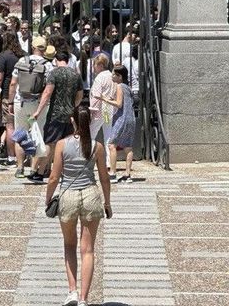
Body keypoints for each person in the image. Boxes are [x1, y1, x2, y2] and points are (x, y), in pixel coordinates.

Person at [45, 106, 112, 306]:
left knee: (69, 245)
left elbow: (54, 177)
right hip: (91, 194)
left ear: (72, 122)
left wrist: (48, 199)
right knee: (88, 250)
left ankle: (72, 291)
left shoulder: (61, 145)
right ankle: (84, 298)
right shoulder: (97, 146)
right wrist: (107, 202)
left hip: (68, 196)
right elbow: (104, 177)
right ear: (89, 123)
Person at [30, 50, 84, 182]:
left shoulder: (54, 73)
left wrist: (38, 111)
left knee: (50, 143)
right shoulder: (76, 75)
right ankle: (68, 172)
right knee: (67, 144)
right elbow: (80, 96)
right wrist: (73, 107)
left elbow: (48, 92)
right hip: (70, 114)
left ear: (56, 60)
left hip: (55, 114)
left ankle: (41, 172)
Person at [8, 36, 53, 178]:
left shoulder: (21, 61)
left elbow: (13, 84)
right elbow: (47, 90)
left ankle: (20, 167)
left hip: (20, 101)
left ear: (32, 47)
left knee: (20, 134)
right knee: (38, 135)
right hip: (37, 104)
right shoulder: (48, 65)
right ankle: (33, 169)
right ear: (44, 49)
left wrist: (10, 102)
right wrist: (40, 108)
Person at [96, 65, 136, 183]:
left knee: (111, 144)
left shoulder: (119, 86)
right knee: (128, 146)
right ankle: (127, 174)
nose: (112, 76)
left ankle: (112, 173)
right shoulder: (127, 87)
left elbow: (119, 104)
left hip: (122, 118)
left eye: (114, 74)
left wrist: (104, 99)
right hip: (131, 118)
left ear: (119, 76)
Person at [0, 31, 25, 170]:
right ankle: (24, 154)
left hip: (8, 94)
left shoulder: (4, 56)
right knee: (23, 127)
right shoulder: (23, 55)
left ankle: (12, 157)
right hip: (23, 94)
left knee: (10, 127)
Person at [89, 54, 116, 169]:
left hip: (99, 109)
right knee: (108, 136)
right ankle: (109, 162)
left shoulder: (100, 77)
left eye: (94, 65)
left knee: (91, 135)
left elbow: (96, 95)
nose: (93, 68)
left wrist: (91, 110)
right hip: (108, 109)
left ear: (100, 65)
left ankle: (90, 160)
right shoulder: (111, 76)